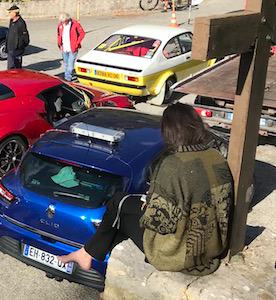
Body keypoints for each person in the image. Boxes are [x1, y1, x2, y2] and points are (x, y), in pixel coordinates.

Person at [57, 103, 233, 276]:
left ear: (169, 132)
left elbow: (161, 223)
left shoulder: (173, 165)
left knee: (118, 207)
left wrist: (150, 206)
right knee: (121, 205)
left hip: (178, 253)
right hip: (211, 246)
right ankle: (87, 254)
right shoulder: (216, 157)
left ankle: (87, 254)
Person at [57, 13, 85, 82]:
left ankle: (67, 78)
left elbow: (82, 33)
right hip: (64, 47)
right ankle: (67, 76)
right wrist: (60, 44)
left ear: (68, 19)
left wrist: (77, 43)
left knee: (70, 65)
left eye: (65, 21)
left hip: (73, 48)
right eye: (62, 22)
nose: (63, 23)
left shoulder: (75, 23)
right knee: (66, 64)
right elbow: (59, 34)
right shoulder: (60, 25)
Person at [6, 5, 29, 70]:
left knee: (16, 65)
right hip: (10, 47)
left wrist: (21, 45)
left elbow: (25, 36)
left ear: (15, 13)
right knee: (10, 66)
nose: (9, 14)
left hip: (17, 48)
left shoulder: (21, 22)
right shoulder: (11, 21)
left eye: (10, 12)